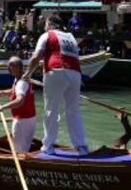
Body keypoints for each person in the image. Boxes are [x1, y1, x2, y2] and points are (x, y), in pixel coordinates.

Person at [23, 14, 88, 155]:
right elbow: (75, 58)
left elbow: (36, 56)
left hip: (56, 71)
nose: (44, 27)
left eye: (45, 24)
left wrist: (27, 74)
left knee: (51, 110)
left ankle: (48, 146)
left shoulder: (47, 35)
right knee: (73, 111)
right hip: (76, 74)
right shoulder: (71, 37)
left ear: (51, 24)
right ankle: (81, 146)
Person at [0, 56, 36, 154]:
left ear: (17, 67)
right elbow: (13, 91)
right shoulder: (20, 79)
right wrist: (1, 92)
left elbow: (20, 101)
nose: (8, 67)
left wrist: (3, 107)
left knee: (19, 151)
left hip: (22, 121)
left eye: (11, 65)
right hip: (29, 119)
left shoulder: (21, 83)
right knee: (24, 148)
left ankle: (21, 167)